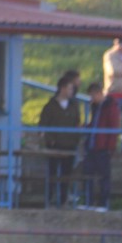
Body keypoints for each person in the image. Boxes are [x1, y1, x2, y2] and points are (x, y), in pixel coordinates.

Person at [38, 75, 82, 207]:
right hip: (54, 145)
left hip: (70, 145)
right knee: (52, 174)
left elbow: (77, 123)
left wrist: (77, 139)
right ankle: (49, 199)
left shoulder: (74, 106)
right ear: (62, 89)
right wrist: (49, 140)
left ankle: (63, 200)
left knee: (66, 175)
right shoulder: (50, 106)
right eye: (69, 89)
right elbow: (43, 125)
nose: (71, 92)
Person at [82, 82, 120, 209]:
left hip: (103, 148)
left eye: (92, 96)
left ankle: (103, 203)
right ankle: (89, 202)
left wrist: (110, 147)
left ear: (98, 93)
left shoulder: (111, 107)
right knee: (88, 175)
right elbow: (95, 124)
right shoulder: (95, 107)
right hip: (92, 146)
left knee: (104, 177)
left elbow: (113, 128)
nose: (91, 99)